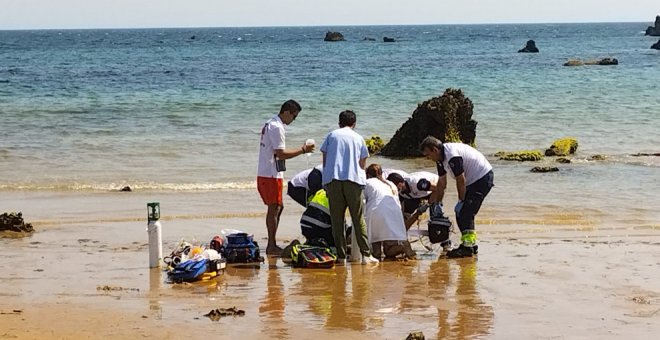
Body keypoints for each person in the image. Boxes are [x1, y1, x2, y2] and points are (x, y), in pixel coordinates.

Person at [419, 136, 494, 258]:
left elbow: (460, 179)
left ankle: (467, 247)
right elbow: (442, 183)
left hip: (482, 178)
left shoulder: (452, 156)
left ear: (435, 150)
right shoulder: (440, 159)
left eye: (428, 155)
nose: (428, 158)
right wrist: (438, 203)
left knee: (465, 212)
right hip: (473, 181)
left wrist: (461, 200)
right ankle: (470, 244)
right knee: (463, 212)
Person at [257, 99, 315, 255]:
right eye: (294, 116)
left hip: (268, 172)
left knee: (278, 206)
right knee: (274, 208)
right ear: (287, 112)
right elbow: (280, 153)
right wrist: (303, 149)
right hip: (270, 174)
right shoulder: (277, 127)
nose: (294, 120)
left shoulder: (271, 123)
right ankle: (271, 245)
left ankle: (272, 241)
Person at [320, 110, 379, 264]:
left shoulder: (331, 136)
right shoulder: (358, 138)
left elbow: (325, 160)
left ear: (339, 122)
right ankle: (366, 255)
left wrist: (325, 182)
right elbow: (362, 163)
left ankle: (341, 256)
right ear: (354, 124)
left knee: (337, 221)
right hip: (353, 180)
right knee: (358, 218)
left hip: (333, 180)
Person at [364, 164, 416, 260]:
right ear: (381, 173)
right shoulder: (391, 184)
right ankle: (402, 247)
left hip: (376, 213)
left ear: (367, 174)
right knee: (388, 252)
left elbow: (363, 202)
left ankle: (377, 254)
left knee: (376, 250)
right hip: (395, 216)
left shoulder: (367, 183)